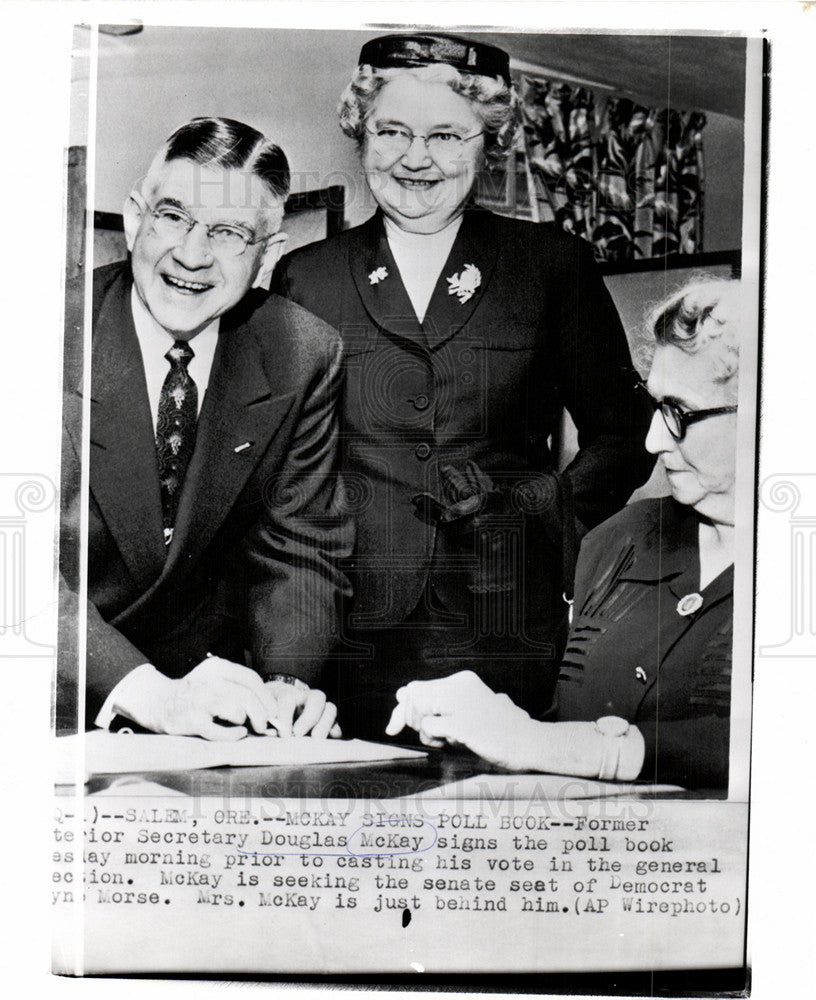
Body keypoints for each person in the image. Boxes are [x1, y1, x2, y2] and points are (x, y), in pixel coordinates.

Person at [272, 33, 653, 738]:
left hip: (503, 619)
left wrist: (549, 511)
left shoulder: (550, 265)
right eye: (392, 131)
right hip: (348, 627)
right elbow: (289, 472)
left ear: (489, 143)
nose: (417, 158)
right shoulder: (306, 276)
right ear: (361, 133)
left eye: (447, 135)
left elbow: (628, 432)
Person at [60, 117, 352, 740]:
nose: (193, 255)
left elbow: (301, 547)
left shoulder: (302, 352)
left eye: (228, 233)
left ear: (268, 254)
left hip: (206, 719)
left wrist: (286, 686)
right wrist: (149, 695)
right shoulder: (40, 332)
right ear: (135, 217)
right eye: (173, 217)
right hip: (49, 693)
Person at [386, 278, 742, 790]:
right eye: (656, 407)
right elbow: (559, 725)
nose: (653, 438)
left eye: (679, 414)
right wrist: (490, 717)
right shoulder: (618, 540)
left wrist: (560, 747)